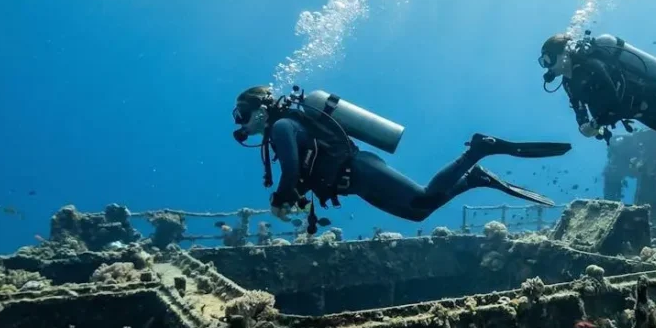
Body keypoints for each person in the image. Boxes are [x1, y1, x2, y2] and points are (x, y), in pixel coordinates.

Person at [232, 86, 571, 225]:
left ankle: (478, 151)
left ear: (260, 110)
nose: (241, 123)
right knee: (418, 215)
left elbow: (291, 171)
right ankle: (475, 179)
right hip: (357, 182)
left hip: (361, 170)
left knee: (423, 199)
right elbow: (303, 172)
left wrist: (279, 199)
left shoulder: (281, 127)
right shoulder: (286, 126)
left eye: (241, 114)